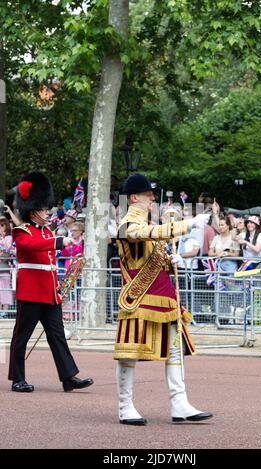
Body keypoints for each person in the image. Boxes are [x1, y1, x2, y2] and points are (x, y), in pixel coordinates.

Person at [114, 173, 213, 425]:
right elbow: (145, 235)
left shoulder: (149, 226)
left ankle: (179, 403)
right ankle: (125, 406)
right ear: (134, 198)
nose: (151, 200)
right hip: (139, 298)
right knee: (130, 353)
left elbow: (153, 257)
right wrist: (187, 224)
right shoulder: (127, 225)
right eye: (148, 196)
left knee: (175, 351)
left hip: (163, 296)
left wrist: (171, 262)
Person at [8, 171, 93, 392]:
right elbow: (30, 247)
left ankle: (68, 377)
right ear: (33, 211)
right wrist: (58, 242)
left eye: (47, 208)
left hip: (49, 293)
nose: (48, 212)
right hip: (31, 292)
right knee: (22, 336)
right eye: (44, 208)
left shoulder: (47, 232)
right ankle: (17, 378)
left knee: (57, 336)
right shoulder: (22, 231)